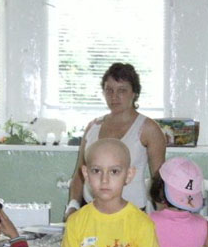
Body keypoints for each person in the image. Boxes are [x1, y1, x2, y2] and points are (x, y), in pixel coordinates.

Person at [66, 63, 166, 217]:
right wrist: (72, 206)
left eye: (122, 90)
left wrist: (163, 219)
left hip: (131, 214)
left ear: (134, 93)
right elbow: (80, 173)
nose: (114, 96)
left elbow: (159, 182)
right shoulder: (93, 127)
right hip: (91, 210)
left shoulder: (149, 129)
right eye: (109, 90)